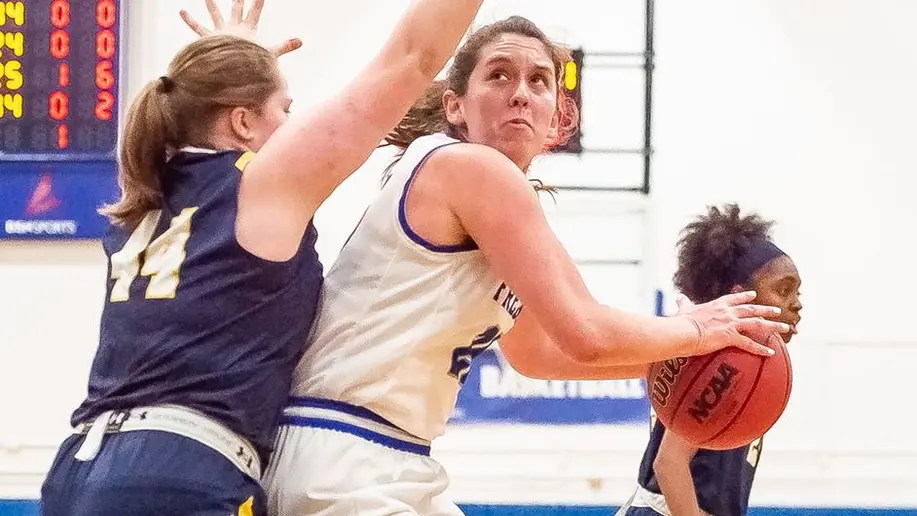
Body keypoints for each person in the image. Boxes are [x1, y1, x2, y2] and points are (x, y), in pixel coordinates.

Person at [263, 16, 792, 516]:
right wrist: (696, 331)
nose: (521, 92)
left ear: (558, 115)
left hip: (387, 453)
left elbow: (537, 353)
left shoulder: (487, 194)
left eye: (539, 81)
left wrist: (678, 360)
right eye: (499, 75)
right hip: (341, 450)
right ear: (456, 106)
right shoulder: (469, 167)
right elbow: (585, 332)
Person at [38, 0, 486, 514]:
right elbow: (413, 56)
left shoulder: (144, 203)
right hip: (181, 470)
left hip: (77, 469)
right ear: (244, 122)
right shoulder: (261, 183)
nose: (293, 127)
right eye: (286, 110)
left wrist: (234, 60)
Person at [616, 203, 803, 516]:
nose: (796, 304)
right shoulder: (717, 355)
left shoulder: (750, 359)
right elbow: (669, 463)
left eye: (797, 291)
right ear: (740, 294)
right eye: (783, 290)